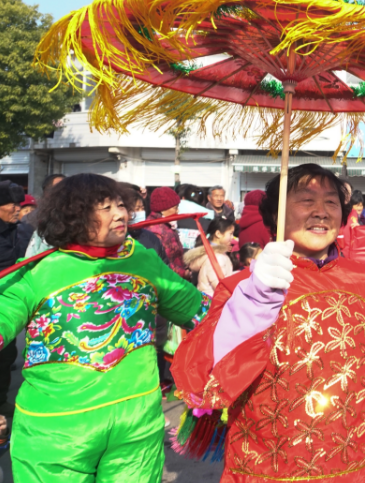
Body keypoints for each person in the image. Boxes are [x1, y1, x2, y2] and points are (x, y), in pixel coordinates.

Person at [172, 164, 365, 482]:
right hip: (273, 471)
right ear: (275, 215)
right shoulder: (242, 289)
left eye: (331, 202)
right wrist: (253, 305)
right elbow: (201, 380)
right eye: (306, 201)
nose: (321, 212)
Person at [0, 173, 209, 483]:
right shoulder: (40, 271)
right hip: (58, 433)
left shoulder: (142, 260)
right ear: (73, 215)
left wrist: (257, 297)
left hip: (135, 428)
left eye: (121, 205)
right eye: (105, 207)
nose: (120, 214)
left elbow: (200, 313)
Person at [0, 181, 34, 420]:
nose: (17, 209)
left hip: (12, 303)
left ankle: (1, 400)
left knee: (8, 354)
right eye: (12, 204)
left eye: (18, 204)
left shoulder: (24, 232)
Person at [184, 217, 236, 296]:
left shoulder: (214, 254)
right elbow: (219, 285)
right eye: (230, 233)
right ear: (218, 234)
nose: (232, 237)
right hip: (214, 301)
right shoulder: (217, 257)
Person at [146, 186, 190, 279]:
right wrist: (183, 273)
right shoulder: (156, 230)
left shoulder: (166, 226)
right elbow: (160, 261)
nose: (178, 211)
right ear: (163, 209)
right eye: (175, 207)